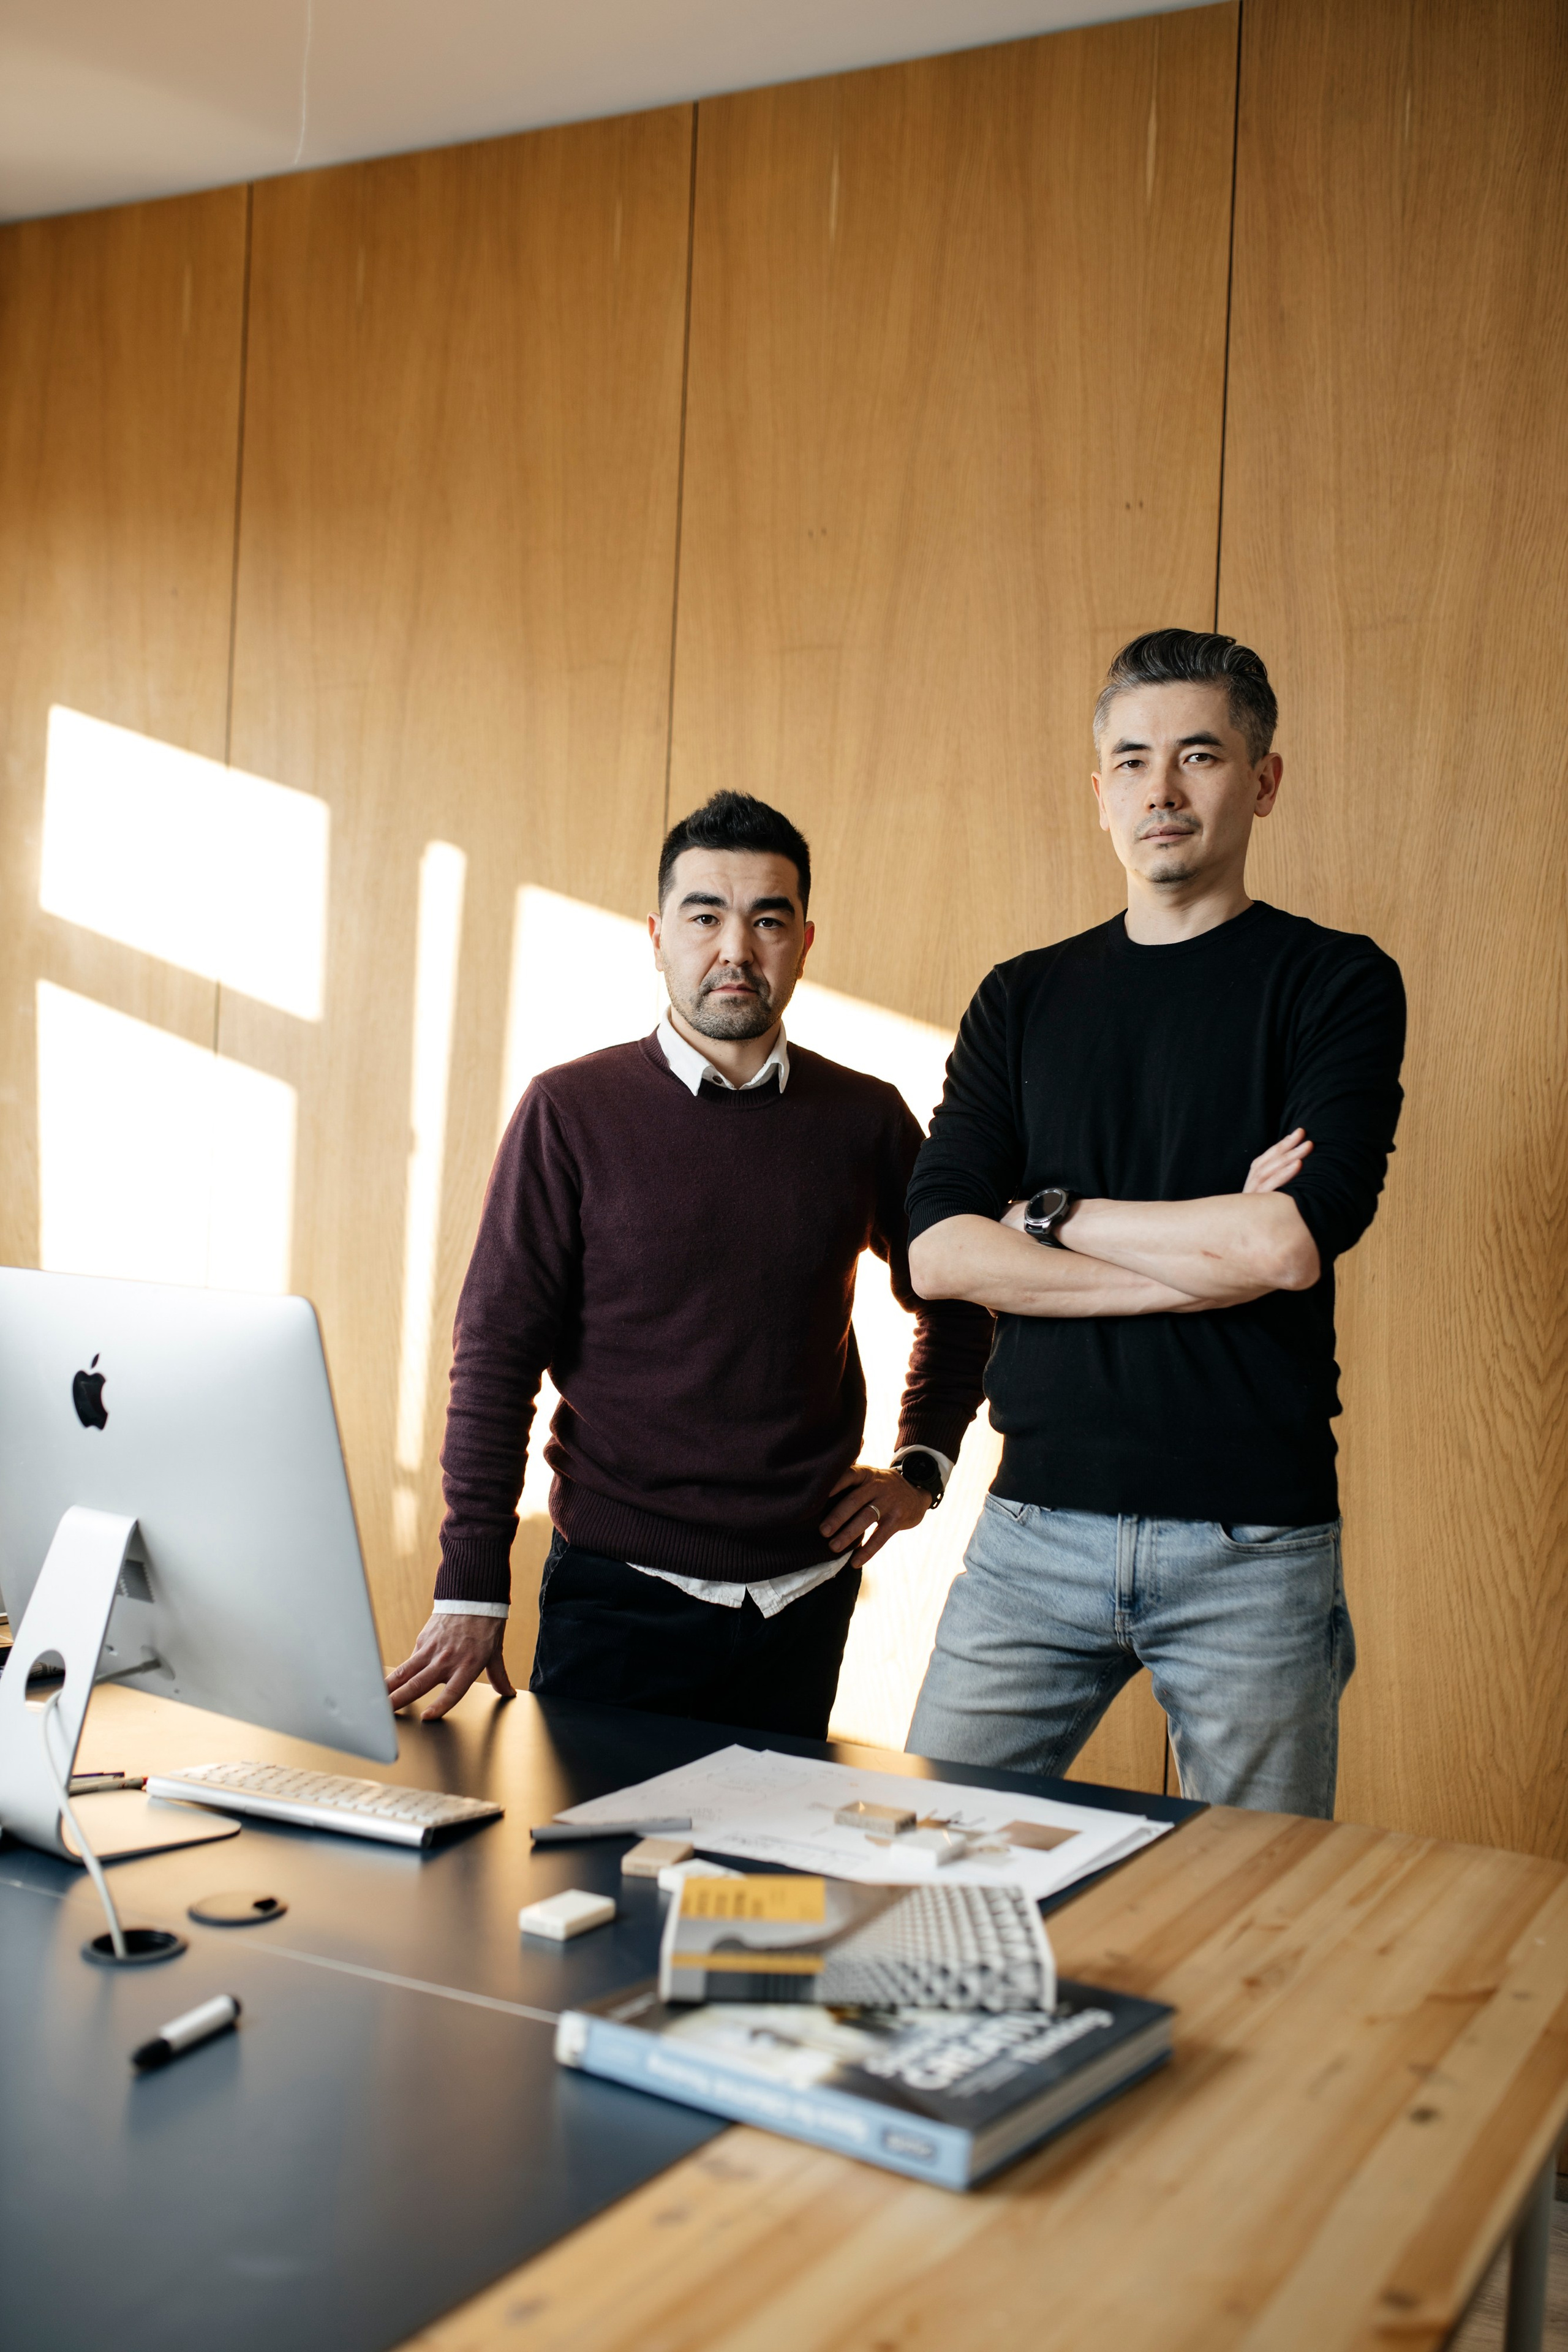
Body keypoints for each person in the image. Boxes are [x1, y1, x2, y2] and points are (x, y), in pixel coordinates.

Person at [904, 629, 1406, 1816]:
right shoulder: (1020, 998)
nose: (1160, 790)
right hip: (1032, 1530)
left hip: (1251, 1548)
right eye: (1130, 762)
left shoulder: (1335, 983)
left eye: (1198, 756)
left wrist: (1053, 1214)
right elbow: (939, 1251)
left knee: (1259, 1896)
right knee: (919, 1851)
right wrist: (1205, 1256)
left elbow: (1284, 1245)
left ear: (1262, 781)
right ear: (1099, 793)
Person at [386, 791, 992, 1739]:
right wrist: (473, 1584)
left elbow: (961, 1291)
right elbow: (496, 1356)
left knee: (774, 1843)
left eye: (768, 921)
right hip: (618, 1592)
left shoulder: (865, 1118)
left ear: (804, 943)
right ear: (658, 936)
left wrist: (923, 1464)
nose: (736, 950)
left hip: (804, 1598)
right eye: (705, 917)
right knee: (579, 1840)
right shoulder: (569, 1113)